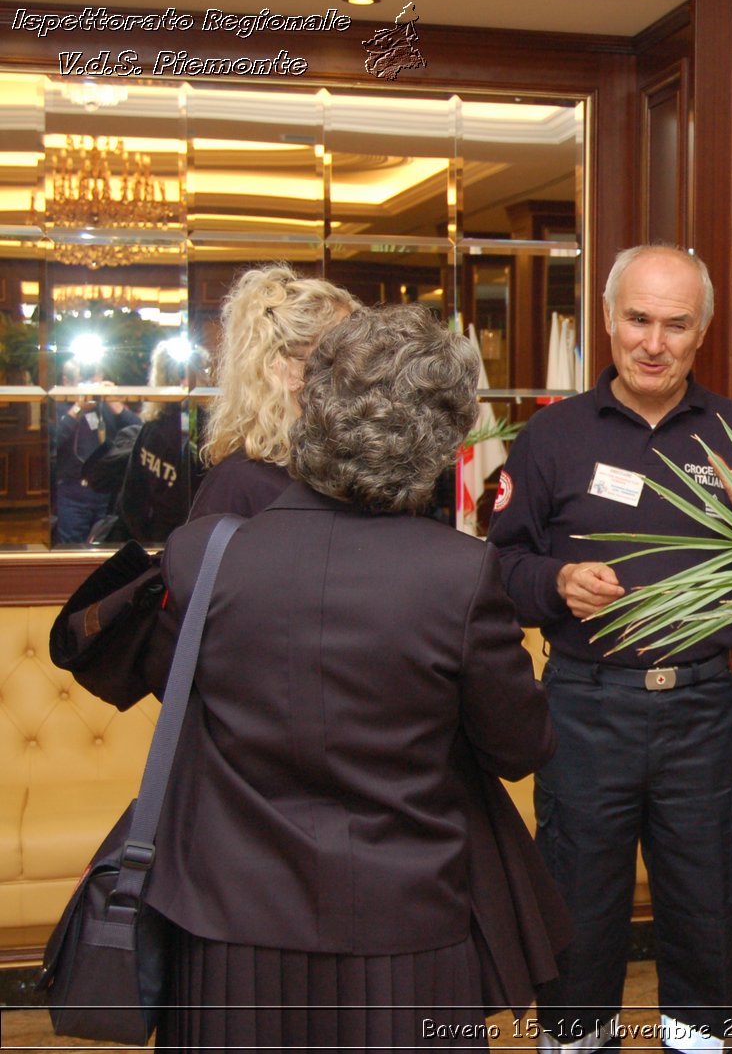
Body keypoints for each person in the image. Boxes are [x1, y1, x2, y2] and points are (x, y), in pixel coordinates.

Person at [78, 305, 561, 1048]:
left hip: (227, 926)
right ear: (440, 440)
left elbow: (152, 678)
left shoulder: (205, 553)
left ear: (311, 408)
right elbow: (518, 749)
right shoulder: (460, 576)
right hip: (407, 929)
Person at [487, 244, 732, 1054]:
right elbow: (500, 568)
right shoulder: (553, 435)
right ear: (608, 320)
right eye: (638, 320)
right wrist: (555, 583)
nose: (654, 342)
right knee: (580, 914)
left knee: (704, 911)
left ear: (703, 333)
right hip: (586, 707)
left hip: (701, 705)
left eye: (676, 324)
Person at [189, 263, 359, 519]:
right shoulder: (238, 484)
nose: (363, 367)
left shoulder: (346, 470)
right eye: (345, 354)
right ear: (288, 370)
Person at [98, 340, 211, 544]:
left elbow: (132, 496)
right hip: (185, 543)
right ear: (188, 378)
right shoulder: (203, 430)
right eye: (204, 369)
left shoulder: (153, 427)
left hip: (156, 540)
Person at [52, 358, 140, 544]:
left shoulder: (105, 406)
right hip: (71, 491)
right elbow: (53, 442)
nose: (91, 388)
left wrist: (115, 403)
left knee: (106, 546)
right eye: (84, 382)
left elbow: (139, 433)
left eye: (95, 382)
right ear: (66, 383)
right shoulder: (58, 405)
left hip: (106, 492)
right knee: (71, 549)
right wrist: (77, 409)